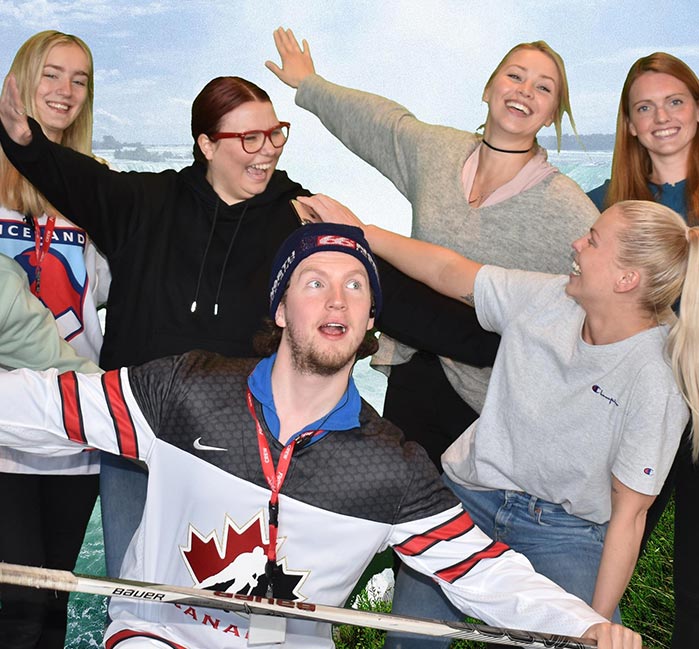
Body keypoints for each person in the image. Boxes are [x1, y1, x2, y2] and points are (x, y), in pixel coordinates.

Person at [0, 223, 641, 649]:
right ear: (281, 310)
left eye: (355, 286)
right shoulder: (183, 392)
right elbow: (37, 406)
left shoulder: (395, 470)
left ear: (368, 325)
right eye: (316, 281)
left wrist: (587, 626)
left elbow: (488, 574)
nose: (337, 299)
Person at [302, 194, 693, 648]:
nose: (576, 243)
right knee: (412, 642)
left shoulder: (657, 376)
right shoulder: (546, 298)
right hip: (470, 498)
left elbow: (630, 514)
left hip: (567, 530)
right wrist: (361, 230)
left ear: (626, 278)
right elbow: (451, 271)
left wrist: (594, 623)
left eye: (593, 240)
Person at [0, 71, 311, 579]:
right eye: (250, 137)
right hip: (134, 445)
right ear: (207, 145)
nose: (268, 149)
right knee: (131, 593)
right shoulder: (147, 202)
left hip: (235, 453)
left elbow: (363, 292)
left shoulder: (297, 218)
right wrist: (24, 140)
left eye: (276, 133)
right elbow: (79, 181)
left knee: (214, 597)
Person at [266, 27, 599, 469]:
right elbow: (384, 125)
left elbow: (605, 298)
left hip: (494, 396)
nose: (524, 92)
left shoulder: (568, 208)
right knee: (405, 516)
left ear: (553, 113)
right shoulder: (438, 151)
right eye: (515, 76)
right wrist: (309, 84)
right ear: (487, 89)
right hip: (414, 366)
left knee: (471, 531)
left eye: (543, 87)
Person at [586, 52, 699, 649]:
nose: (661, 117)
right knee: (600, 551)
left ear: (698, 109)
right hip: (636, 408)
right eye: (644, 107)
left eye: (675, 100)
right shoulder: (605, 203)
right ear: (629, 124)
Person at [0, 30, 108, 649]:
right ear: (22, 79)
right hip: (6, 422)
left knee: (52, 604)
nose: (65, 91)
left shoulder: (96, 184)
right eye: (51, 74)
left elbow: (122, 291)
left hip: (76, 423)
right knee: (14, 605)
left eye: (80, 79)